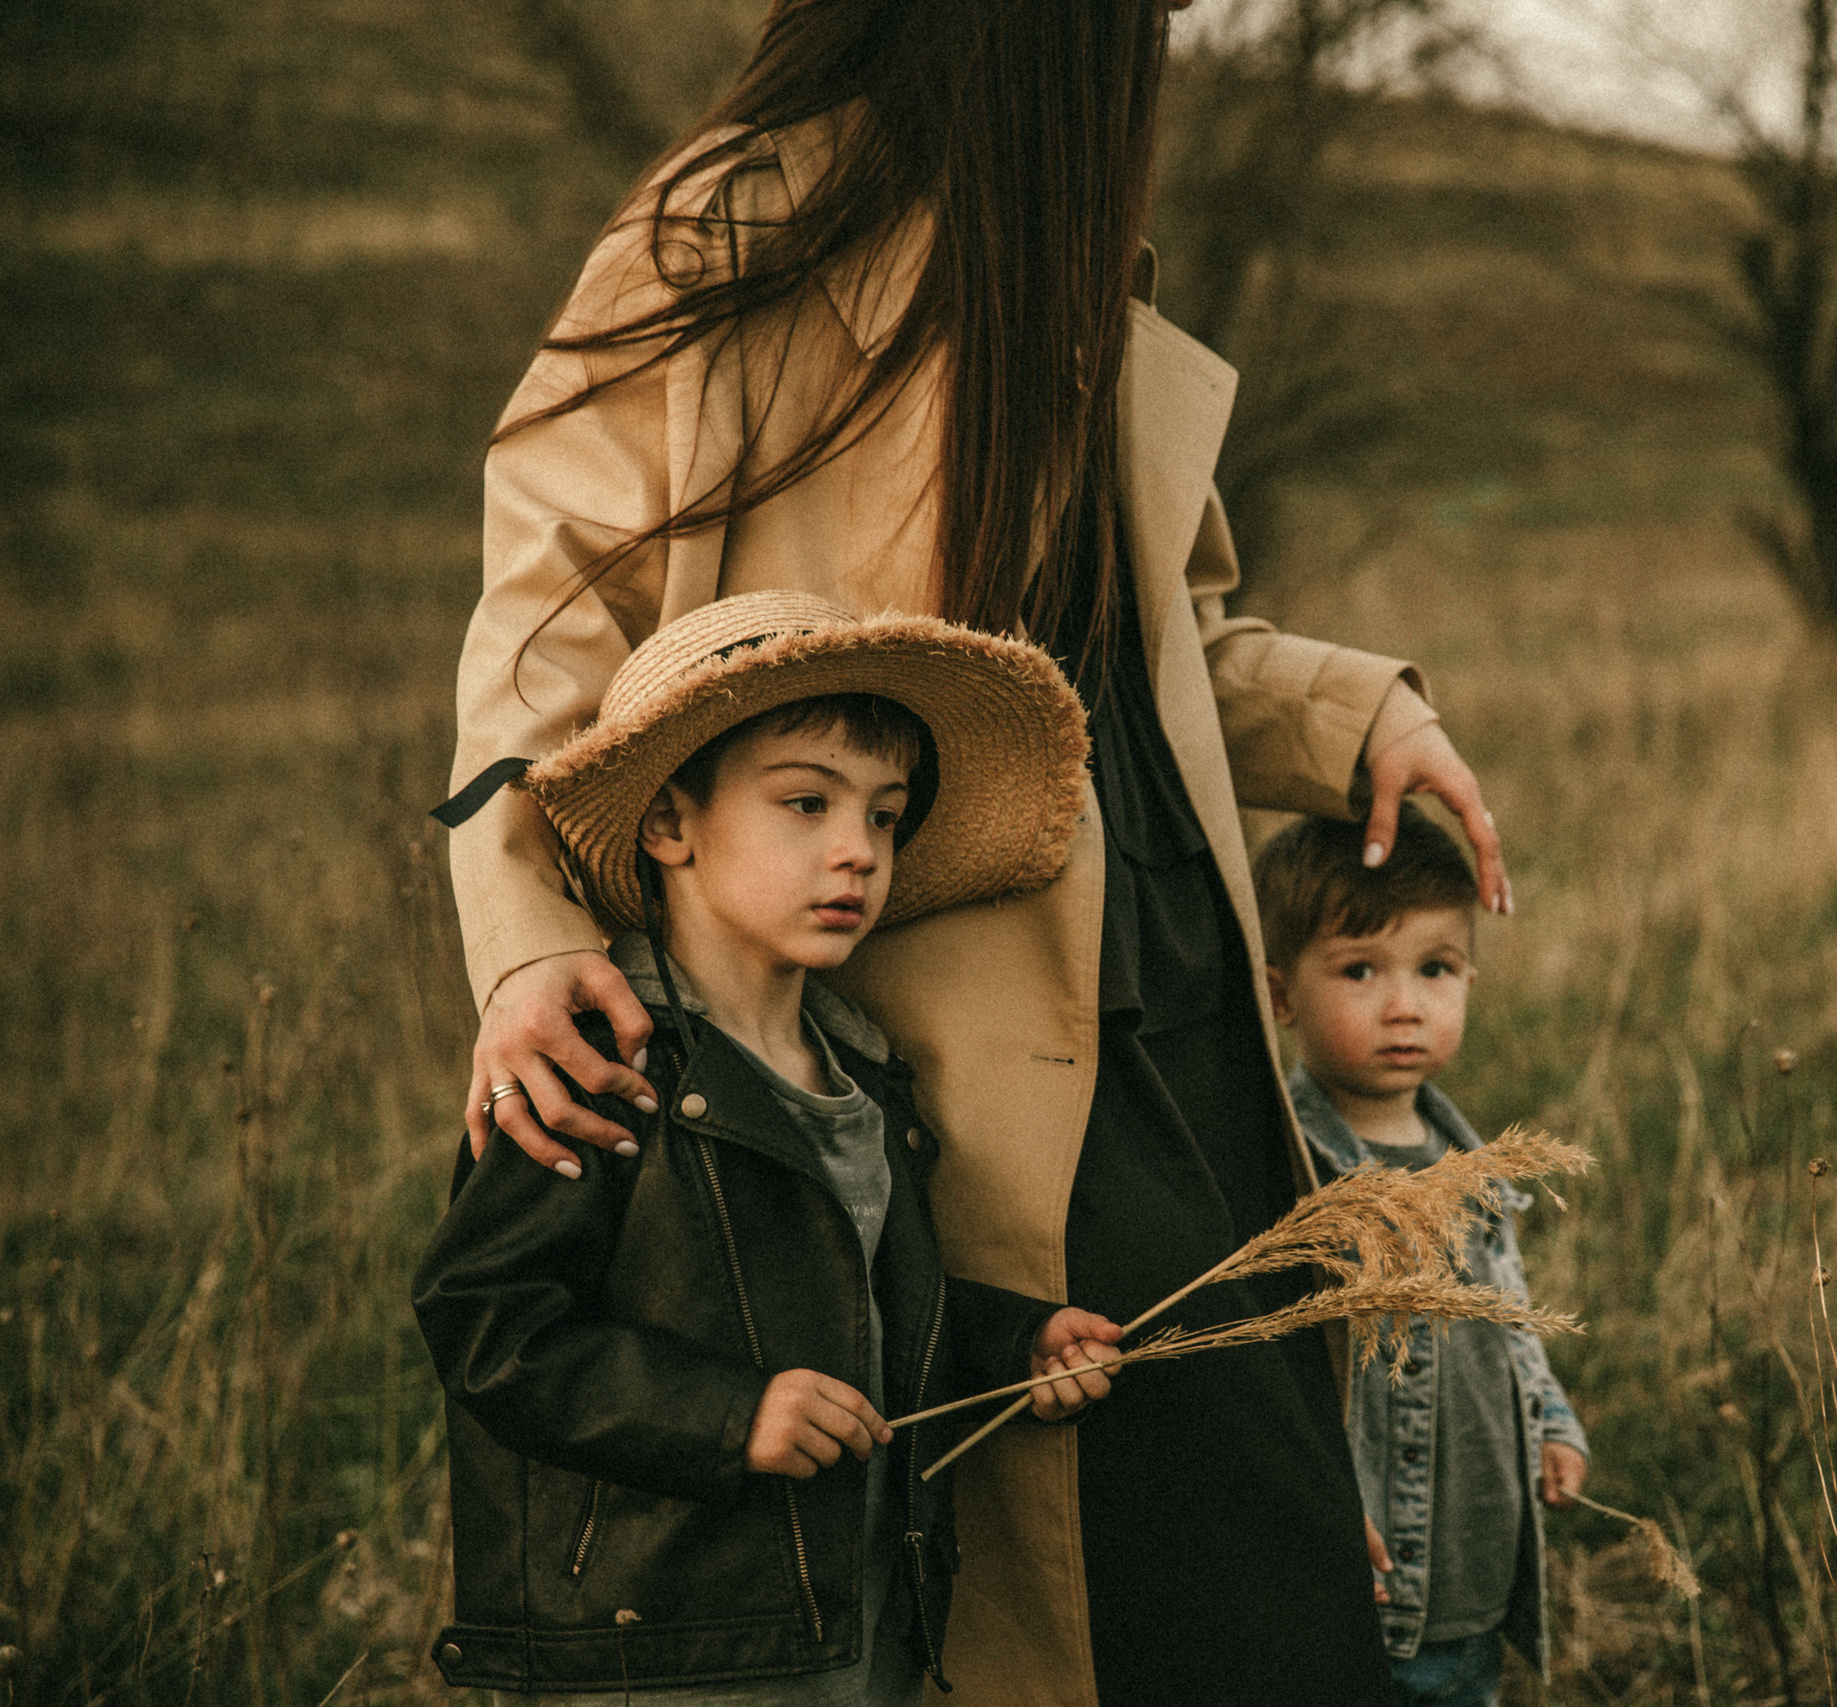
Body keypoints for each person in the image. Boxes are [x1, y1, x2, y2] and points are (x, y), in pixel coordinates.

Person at [440, 5, 1511, 1704]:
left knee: (1261, 1577)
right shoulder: (730, 229)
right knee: (1135, 1591)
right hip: (975, 1022)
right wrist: (522, 936)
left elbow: (1162, 643)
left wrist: (1356, 716)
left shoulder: (1087, 257)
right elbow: (545, 629)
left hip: (1188, 1011)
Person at [416, 595, 1125, 1702]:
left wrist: (1011, 1341)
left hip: (856, 1640)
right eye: (806, 803)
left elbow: (861, 1296)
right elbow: (486, 1322)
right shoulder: (598, 1069)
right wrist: (727, 1414)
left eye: (885, 818)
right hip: (663, 1653)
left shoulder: (864, 1072)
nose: (857, 851)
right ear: (669, 826)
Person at [1255, 806, 1591, 1707]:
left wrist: (1551, 1418)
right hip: (1353, 1589)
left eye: (1435, 969)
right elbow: (1277, 1382)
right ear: (1281, 997)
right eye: (1361, 970)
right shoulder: (1288, 1173)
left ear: (1470, 977)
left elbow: (1512, 1316)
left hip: (1468, 1577)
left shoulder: (1474, 1167)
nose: (1405, 1004)